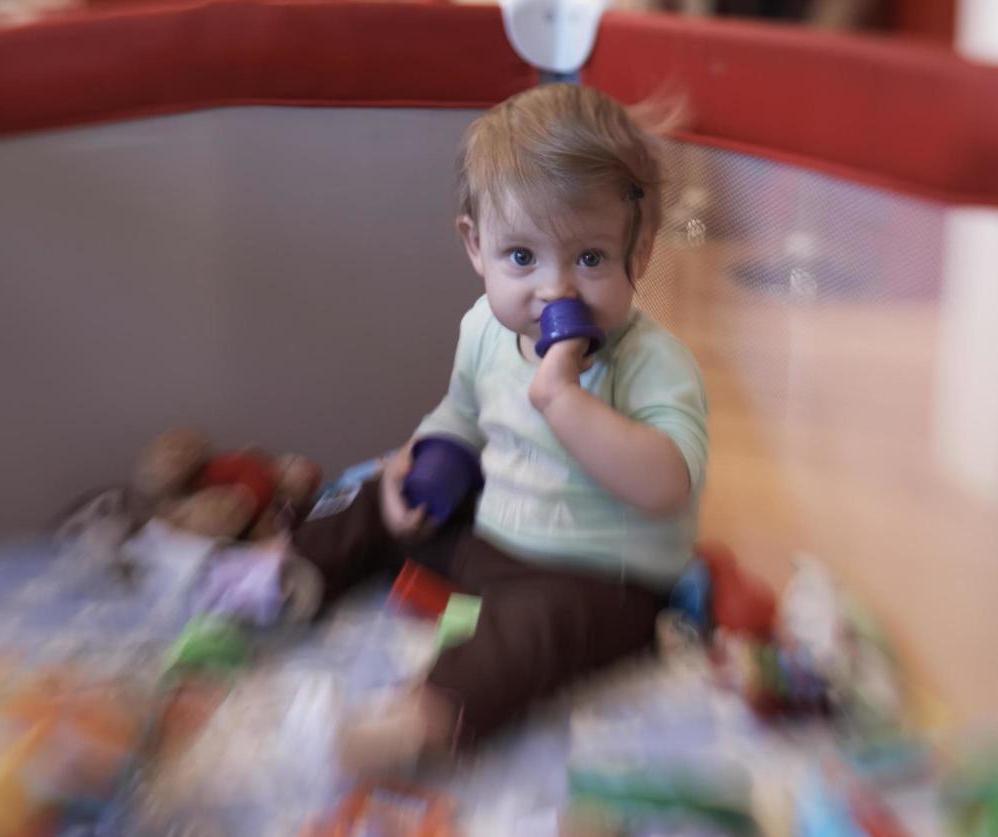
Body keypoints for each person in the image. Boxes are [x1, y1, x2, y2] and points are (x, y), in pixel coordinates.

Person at [199, 83, 709, 773]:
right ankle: (297, 570)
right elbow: (465, 414)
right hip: (495, 535)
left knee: (528, 635)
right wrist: (431, 452)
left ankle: (421, 719)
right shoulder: (482, 329)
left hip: (598, 577)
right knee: (382, 484)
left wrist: (564, 401)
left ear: (639, 253)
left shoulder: (653, 363)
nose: (552, 290)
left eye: (588, 259)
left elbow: (666, 485)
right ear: (476, 246)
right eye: (521, 258)